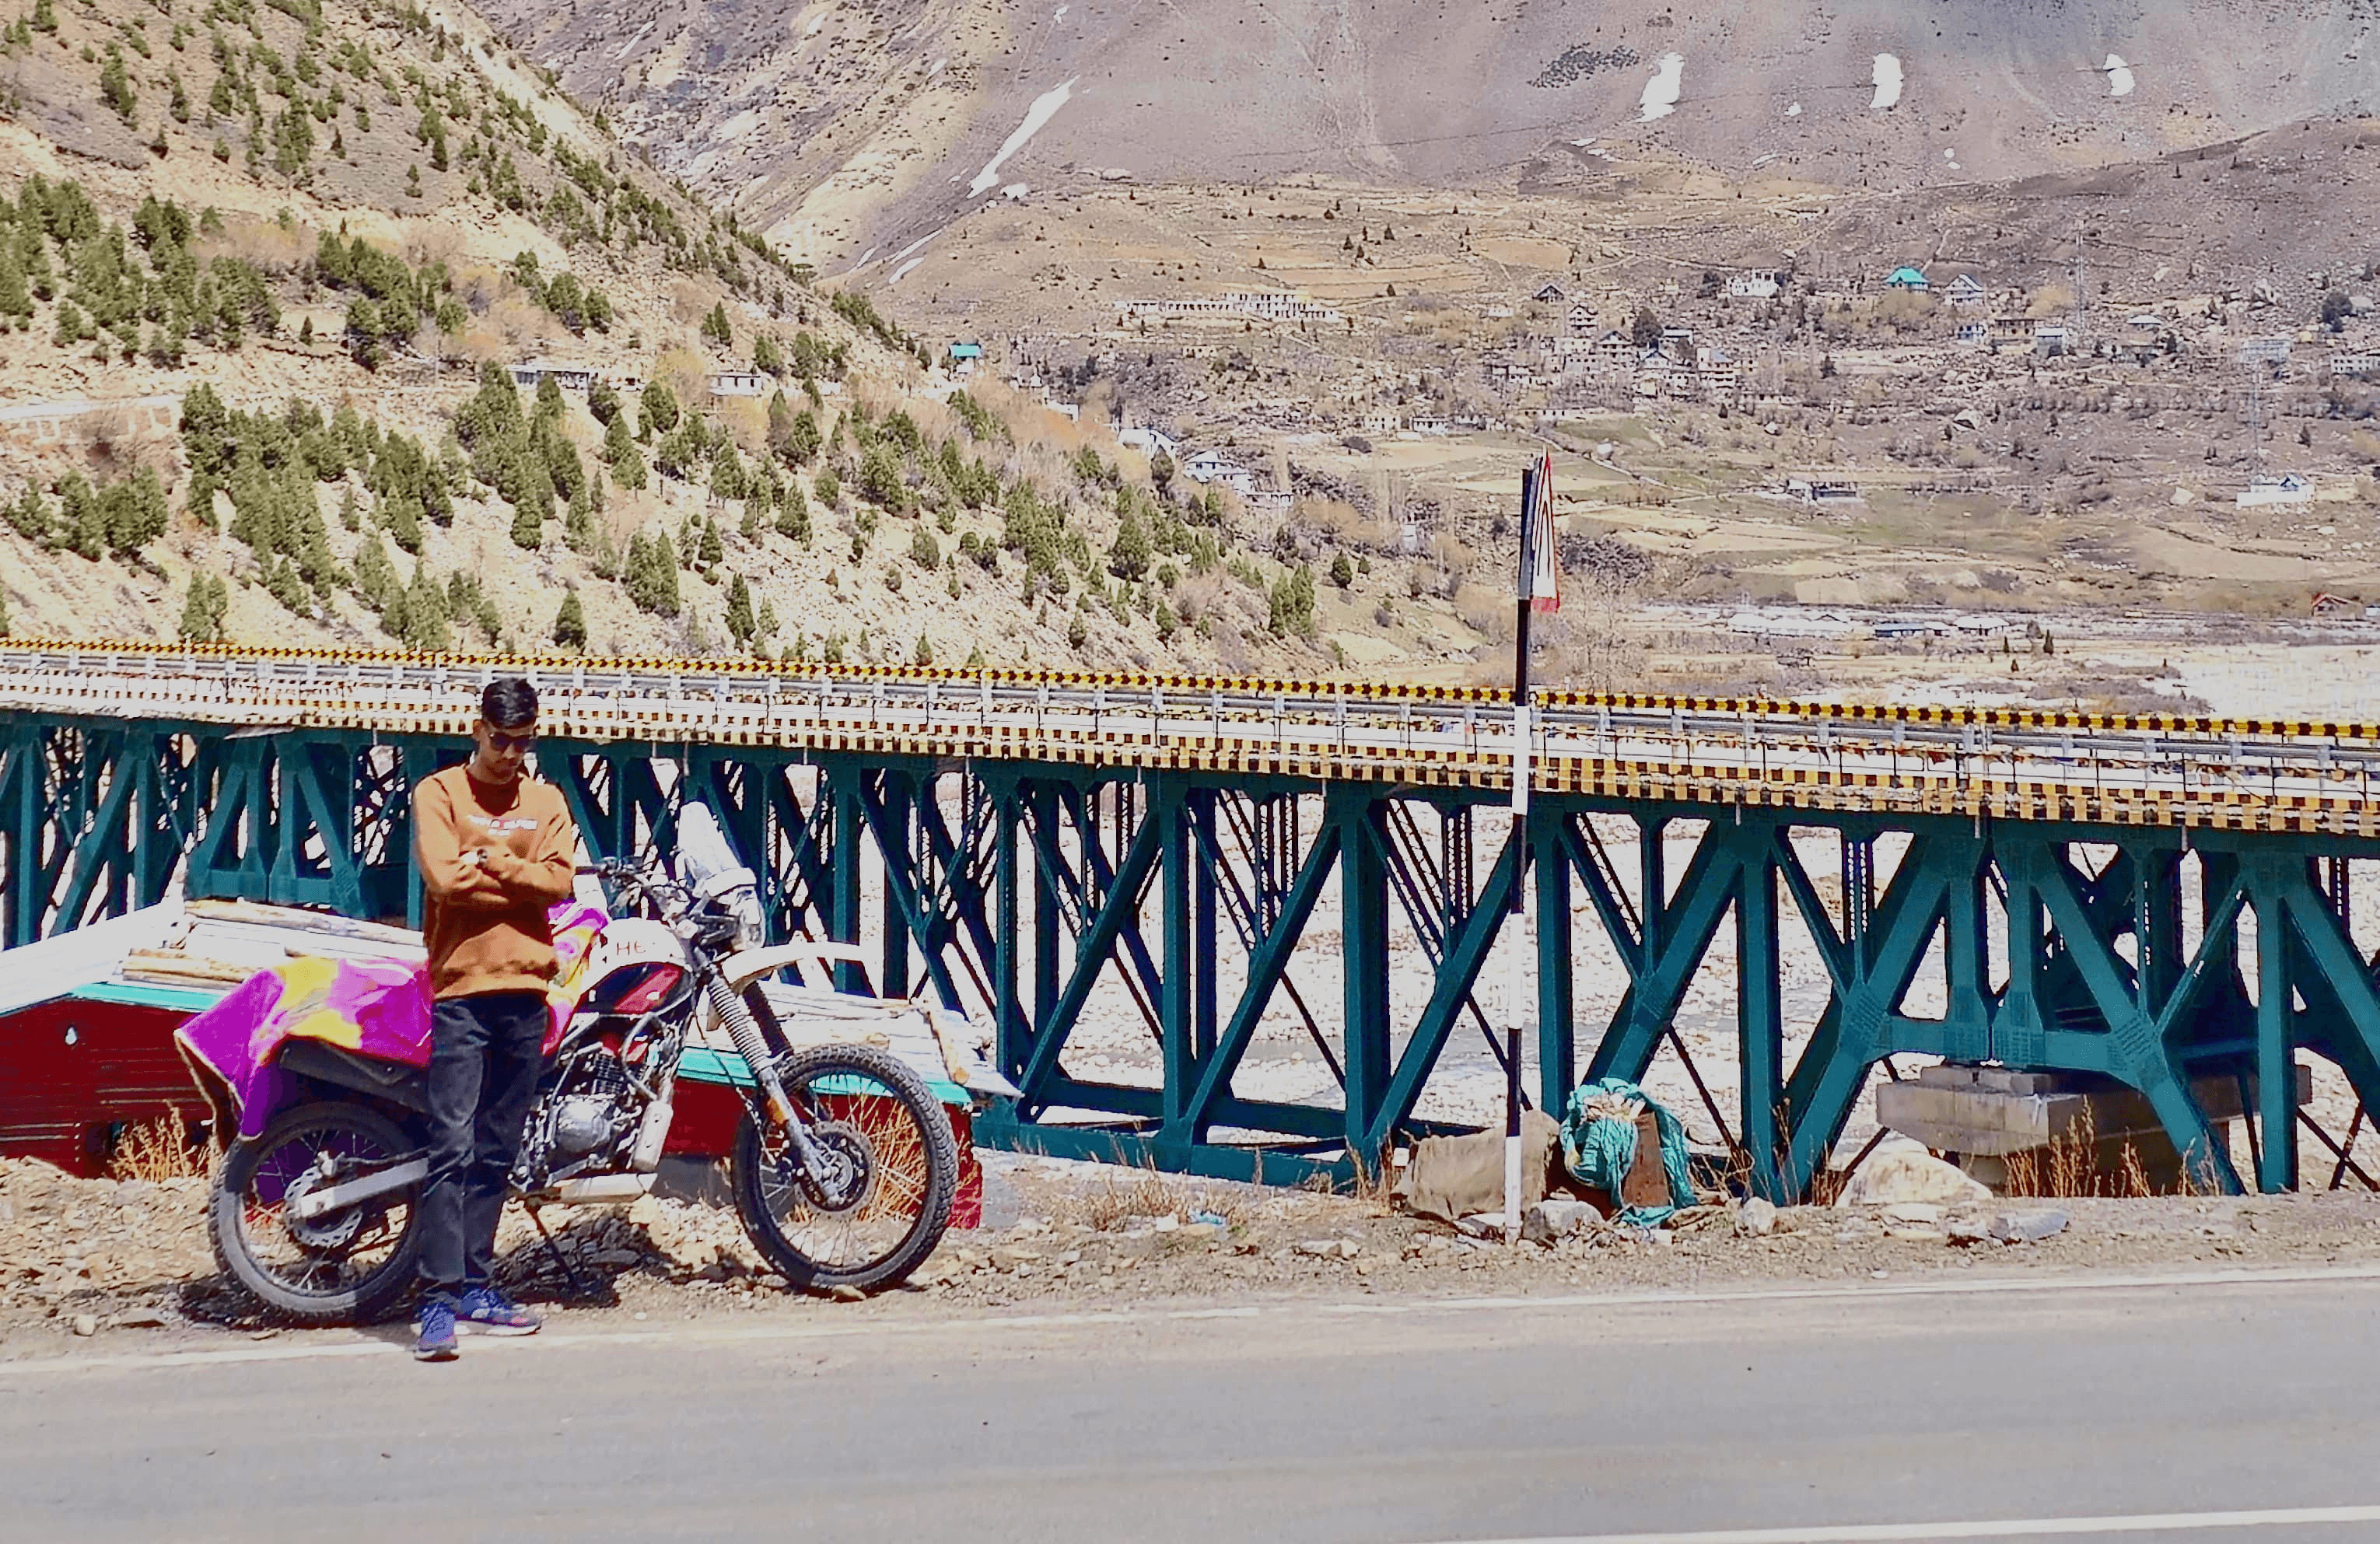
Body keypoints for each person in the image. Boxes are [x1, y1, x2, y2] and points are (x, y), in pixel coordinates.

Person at [408, 677, 580, 1362]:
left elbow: (560, 882)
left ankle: (476, 1285)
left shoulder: (546, 800)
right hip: (461, 989)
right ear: (477, 728)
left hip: (526, 991)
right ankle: (436, 1297)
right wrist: (522, 879)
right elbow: (443, 880)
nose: (511, 754)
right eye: (501, 739)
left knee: (496, 1147)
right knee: (450, 1146)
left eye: (523, 741)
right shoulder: (439, 793)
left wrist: (497, 861)